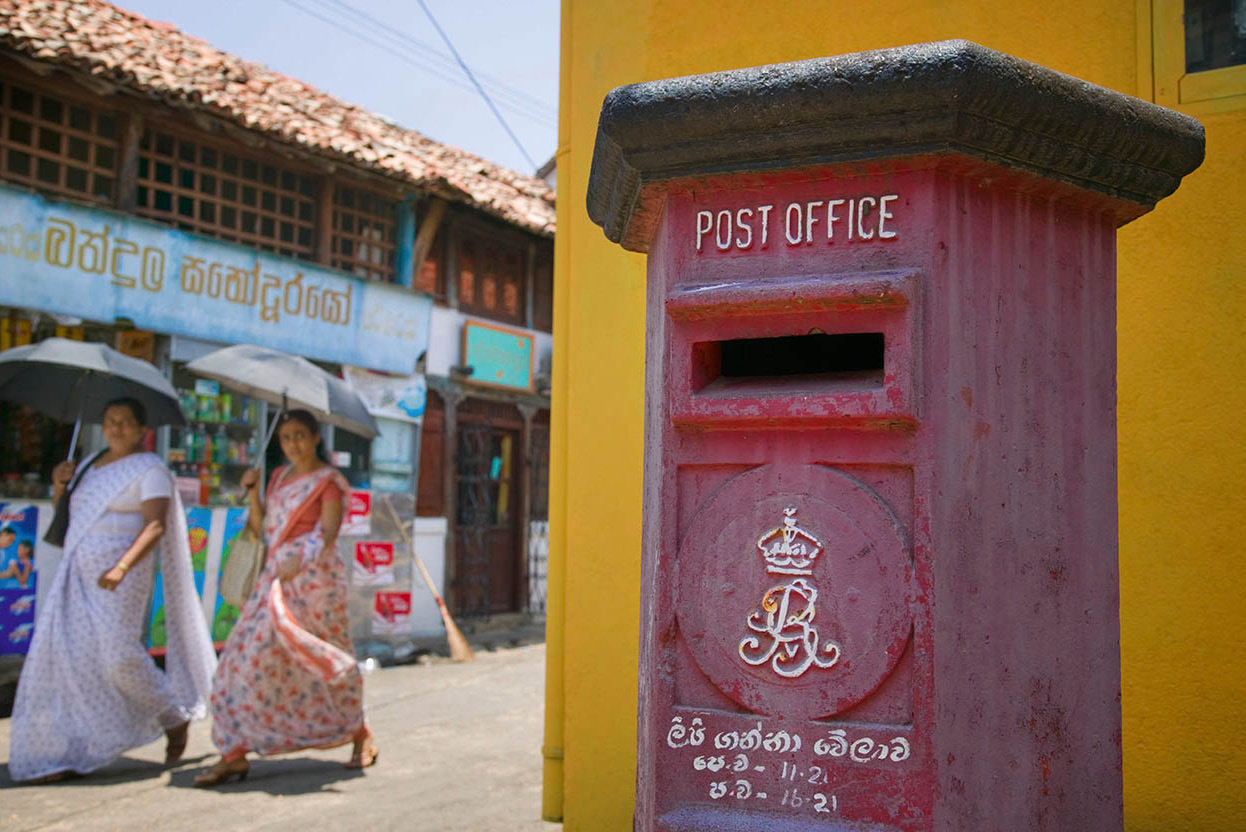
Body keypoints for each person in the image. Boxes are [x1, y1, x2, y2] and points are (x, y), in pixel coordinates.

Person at [8, 398, 216, 783]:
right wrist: (60, 485)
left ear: (141, 430)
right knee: (74, 659)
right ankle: (72, 750)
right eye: (109, 421)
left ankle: (172, 715)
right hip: (78, 572)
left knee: (119, 656)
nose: (116, 428)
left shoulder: (149, 470)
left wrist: (122, 566)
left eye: (125, 422)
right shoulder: (87, 466)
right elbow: (66, 516)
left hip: (123, 574)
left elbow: (155, 526)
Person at [195, 409, 377, 787]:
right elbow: (260, 528)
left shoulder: (328, 482)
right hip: (274, 579)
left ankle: (358, 732)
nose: (293, 443)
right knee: (242, 659)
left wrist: (301, 558)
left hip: (313, 583)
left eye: (299, 435)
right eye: (286, 437)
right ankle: (234, 750)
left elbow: (327, 532)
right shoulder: (278, 477)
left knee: (324, 659)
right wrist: (252, 491)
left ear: (315, 438)